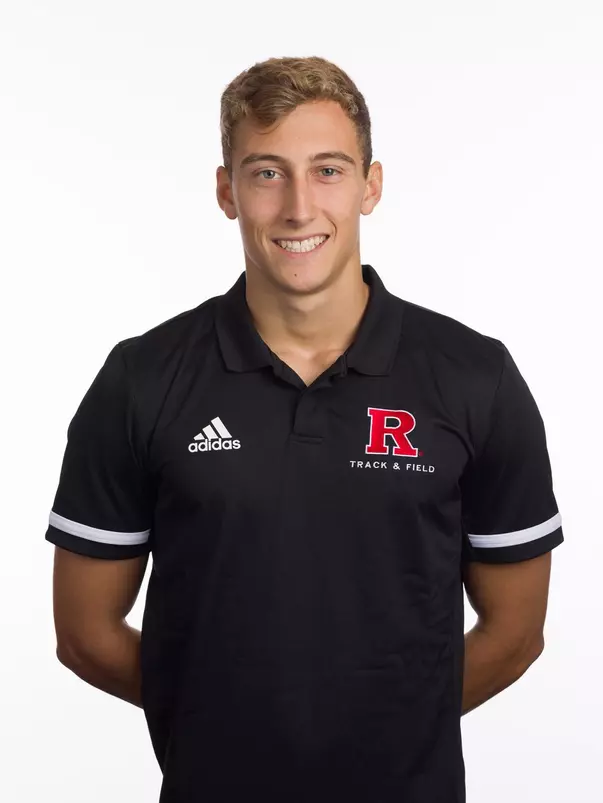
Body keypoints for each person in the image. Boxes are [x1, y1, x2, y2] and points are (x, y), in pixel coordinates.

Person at [46, 55, 564, 803]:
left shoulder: (474, 376)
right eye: (266, 173)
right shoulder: (143, 378)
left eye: (327, 170)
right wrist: (218, 727)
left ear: (370, 186)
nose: (298, 207)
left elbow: (515, 633)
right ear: (226, 191)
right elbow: (85, 634)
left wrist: (385, 733)